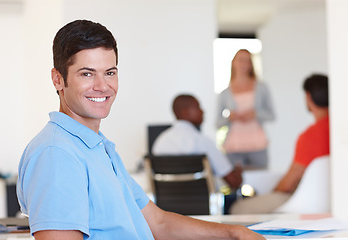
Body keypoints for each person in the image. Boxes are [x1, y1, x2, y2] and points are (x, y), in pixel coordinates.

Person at [16, 20, 264, 240]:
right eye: (87, 74)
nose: (102, 86)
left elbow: (158, 222)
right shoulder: (56, 154)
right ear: (58, 79)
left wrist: (234, 232)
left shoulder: (98, 147)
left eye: (110, 73)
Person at [230, 73, 329, 214]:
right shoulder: (338, 131)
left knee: (238, 208)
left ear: (308, 97)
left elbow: (287, 185)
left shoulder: (310, 136)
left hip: (304, 202)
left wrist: (271, 193)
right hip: (332, 198)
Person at [153, 94, 243, 190]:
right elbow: (234, 182)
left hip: (166, 204)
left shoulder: (160, 142)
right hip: (204, 204)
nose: (202, 111)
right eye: (198, 107)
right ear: (185, 112)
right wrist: (238, 171)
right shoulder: (202, 142)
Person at [216, 49, 275, 169]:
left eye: (247, 61)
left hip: (257, 144)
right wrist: (229, 117)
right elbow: (217, 123)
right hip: (234, 146)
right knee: (235, 185)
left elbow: (272, 115)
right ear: (233, 63)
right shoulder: (225, 93)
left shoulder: (262, 88)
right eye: (241, 60)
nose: (244, 63)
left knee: (260, 181)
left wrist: (255, 114)